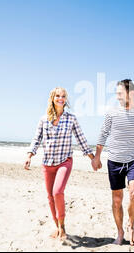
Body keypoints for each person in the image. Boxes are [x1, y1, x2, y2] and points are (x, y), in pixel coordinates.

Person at [24, 87, 98, 240]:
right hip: (47, 163)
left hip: (65, 161)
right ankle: (56, 226)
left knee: (57, 192)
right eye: (57, 96)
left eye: (63, 96)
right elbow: (36, 139)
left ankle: (62, 227)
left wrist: (92, 158)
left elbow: (81, 139)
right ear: (53, 98)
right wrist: (29, 155)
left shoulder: (71, 118)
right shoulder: (44, 119)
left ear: (66, 99)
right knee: (50, 197)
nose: (60, 98)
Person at [92, 79, 134, 246]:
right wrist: (97, 157)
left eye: (120, 93)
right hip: (115, 160)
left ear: (130, 93)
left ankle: (131, 225)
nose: (117, 97)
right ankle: (120, 231)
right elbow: (103, 134)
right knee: (117, 199)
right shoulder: (111, 113)